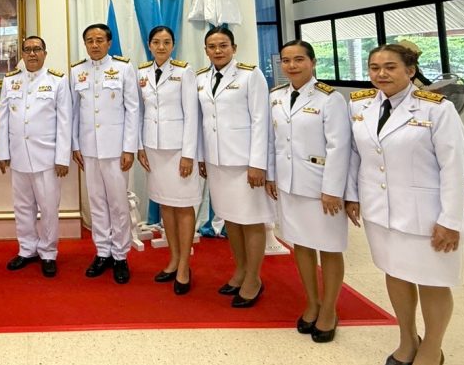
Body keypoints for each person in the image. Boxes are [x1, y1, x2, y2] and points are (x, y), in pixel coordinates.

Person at [346, 43, 464, 365]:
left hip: (426, 214)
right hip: (380, 210)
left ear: (410, 70)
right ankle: (407, 338)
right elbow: (356, 155)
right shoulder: (361, 106)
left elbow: (453, 166)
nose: (381, 74)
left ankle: (432, 348)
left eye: (390, 67)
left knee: (432, 280)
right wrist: (351, 195)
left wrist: (450, 219)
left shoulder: (437, 109)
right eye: (375, 67)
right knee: (396, 274)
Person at [265, 40, 353, 341]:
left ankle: (329, 309)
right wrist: (271, 175)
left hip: (320, 187)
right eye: (286, 60)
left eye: (299, 59)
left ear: (312, 62)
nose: (292, 66)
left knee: (329, 247)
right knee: (301, 244)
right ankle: (312, 302)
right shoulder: (276, 96)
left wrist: (333, 189)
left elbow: (340, 147)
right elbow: (272, 141)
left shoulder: (330, 99)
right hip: (289, 184)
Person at [196, 26, 272, 308]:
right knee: (230, 219)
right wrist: (202, 157)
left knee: (250, 220)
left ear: (234, 48)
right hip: (217, 162)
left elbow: (261, 121)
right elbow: (202, 122)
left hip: (244, 163)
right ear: (206, 50)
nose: (218, 50)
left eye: (223, 45)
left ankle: (254, 278)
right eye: (212, 46)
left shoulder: (250, 75)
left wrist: (257, 163)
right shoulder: (201, 78)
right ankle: (240, 270)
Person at [0, 35, 71, 277]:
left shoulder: (57, 81)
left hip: (47, 159)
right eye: (27, 49)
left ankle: (48, 252)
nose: (32, 53)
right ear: (22, 54)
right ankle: (27, 248)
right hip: (18, 157)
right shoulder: (11, 81)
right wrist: (3, 152)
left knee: (48, 208)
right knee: (22, 207)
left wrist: (62, 158)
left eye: (37, 49)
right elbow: (4, 119)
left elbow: (65, 122)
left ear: (45, 54)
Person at [70, 23, 139, 284]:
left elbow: (133, 110)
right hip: (89, 148)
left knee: (118, 204)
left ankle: (120, 255)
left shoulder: (123, 68)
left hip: (115, 149)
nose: (95, 44)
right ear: (85, 44)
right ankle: (102, 252)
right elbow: (74, 112)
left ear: (109, 43)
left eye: (100, 40)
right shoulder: (77, 71)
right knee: (96, 202)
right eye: (90, 40)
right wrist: (75, 145)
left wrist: (129, 147)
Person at [135, 26, 200, 295]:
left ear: (173, 45)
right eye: (156, 42)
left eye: (166, 42)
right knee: (165, 205)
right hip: (154, 149)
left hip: (177, 151)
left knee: (183, 206)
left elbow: (192, 115)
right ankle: (173, 259)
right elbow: (139, 113)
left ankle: (184, 266)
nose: (161, 47)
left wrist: (188, 154)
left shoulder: (184, 72)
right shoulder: (141, 73)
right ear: (149, 45)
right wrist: (139, 146)